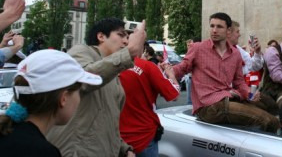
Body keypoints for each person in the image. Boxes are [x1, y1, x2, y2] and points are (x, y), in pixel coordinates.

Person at [47, 18, 146, 157]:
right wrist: (128, 53)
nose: (125, 41)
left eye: (128, 37)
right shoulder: (80, 51)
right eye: (121, 35)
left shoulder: (113, 70)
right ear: (101, 36)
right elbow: (83, 80)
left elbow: (107, 121)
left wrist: (124, 149)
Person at [172, 12, 279, 133]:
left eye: (219, 27)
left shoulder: (235, 53)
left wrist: (249, 94)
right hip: (208, 106)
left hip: (228, 98)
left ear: (228, 30)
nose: (214, 30)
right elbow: (181, 68)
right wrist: (166, 72)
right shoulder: (198, 48)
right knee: (267, 120)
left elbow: (239, 82)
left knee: (270, 106)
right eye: (212, 26)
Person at [0, 49, 102, 157]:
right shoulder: (42, 151)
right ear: (64, 98)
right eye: (78, 92)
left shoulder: (8, 133)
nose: (79, 99)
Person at [119, 56, 180, 157]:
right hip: (144, 135)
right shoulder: (147, 66)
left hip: (116, 136)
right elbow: (174, 94)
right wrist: (171, 75)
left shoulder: (109, 66)